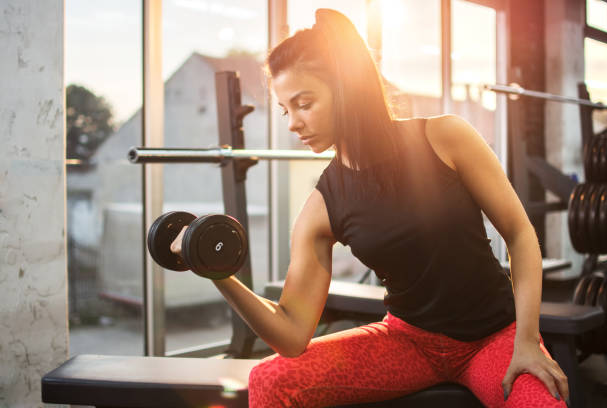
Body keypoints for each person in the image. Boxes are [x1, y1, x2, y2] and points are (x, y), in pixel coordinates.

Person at [172, 8, 569, 408]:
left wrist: (527, 340)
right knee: (271, 379)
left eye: (303, 103)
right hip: (408, 343)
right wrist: (217, 272)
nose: (292, 123)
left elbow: (519, 234)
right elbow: (291, 334)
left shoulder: (445, 137)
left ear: (345, 87)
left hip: (493, 339)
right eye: (285, 109)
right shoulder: (322, 206)